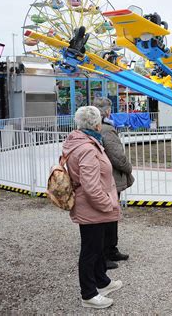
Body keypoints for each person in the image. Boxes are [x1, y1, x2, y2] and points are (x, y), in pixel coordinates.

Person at [62, 106, 122, 309]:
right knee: (90, 250)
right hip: (92, 207)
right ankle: (88, 293)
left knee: (96, 247)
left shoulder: (82, 141)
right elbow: (90, 185)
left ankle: (101, 282)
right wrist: (107, 204)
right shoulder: (87, 148)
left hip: (91, 206)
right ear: (96, 124)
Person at [93, 97, 134, 270]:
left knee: (108, 214)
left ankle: (110, 249)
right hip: (110, 178)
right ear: (107, 111)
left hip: (100, 177)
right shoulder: (107, 130)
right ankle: (106, 251)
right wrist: (128, 167)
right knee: (109, 215)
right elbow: (117, 156)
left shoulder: (95, 129)